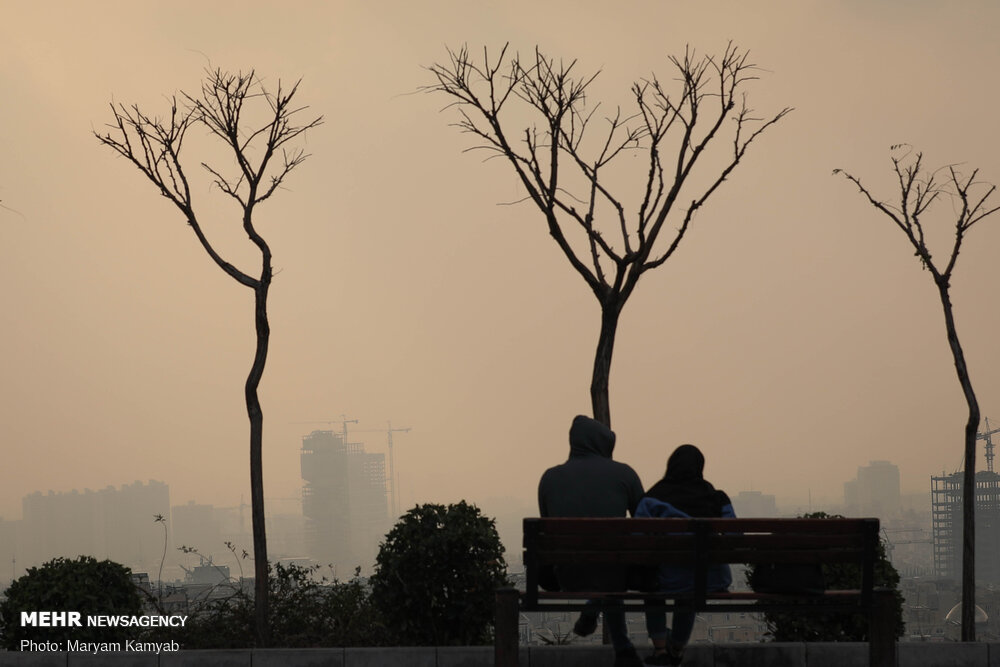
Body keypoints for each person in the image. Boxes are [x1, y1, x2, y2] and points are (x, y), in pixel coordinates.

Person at [538, 415, 646, 667]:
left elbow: (548, 529)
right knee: (610, 566)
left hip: (567, 576)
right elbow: (645, 522)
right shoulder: (624, 474)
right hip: (618, 576)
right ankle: (622, 646)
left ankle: (601, 621)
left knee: (604, 566)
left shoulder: (550, 479)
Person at [635, 444, 734, 666]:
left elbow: (638, 539)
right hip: (710, 580)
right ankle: (677, 649)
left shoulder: (653, 499)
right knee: (689, 587)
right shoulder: (717, 498)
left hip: (667, 579)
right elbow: (735, 537)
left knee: (652, 587)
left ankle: (661, 650)